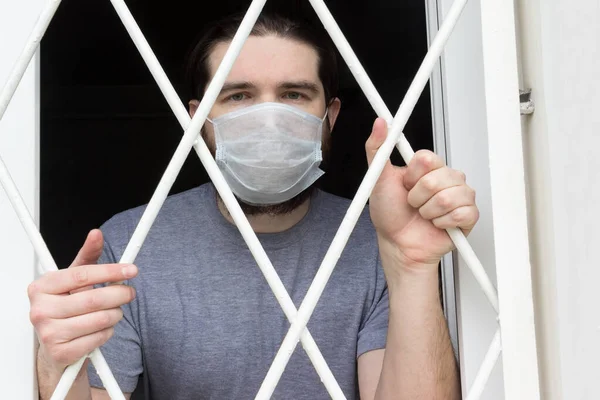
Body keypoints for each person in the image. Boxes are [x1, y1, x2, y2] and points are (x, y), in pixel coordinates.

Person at [29, 13, 478, 400]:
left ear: (331, 115)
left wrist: (412, 265)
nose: (268, 120)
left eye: (294, 95)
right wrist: (56, 362)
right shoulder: (131, 245)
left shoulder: (373, 242)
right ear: (196, 119)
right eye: (239, 96)